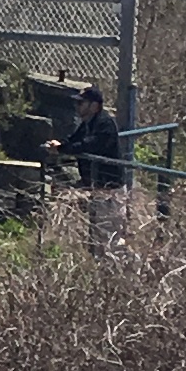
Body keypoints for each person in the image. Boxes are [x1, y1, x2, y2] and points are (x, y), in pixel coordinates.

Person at [56, 82, 129, 250]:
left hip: (110, 190)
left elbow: (90, 145)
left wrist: (64, 149)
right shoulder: (88, 123)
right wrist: (60, 146)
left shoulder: (105, 124)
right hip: (96, 187)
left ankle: (125, 271)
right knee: (96, 238)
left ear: (94, 106)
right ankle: (100, 271)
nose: (77, 106)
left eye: (81, 103)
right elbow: (74, 139)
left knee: (111, 238)